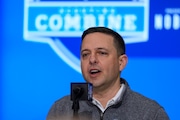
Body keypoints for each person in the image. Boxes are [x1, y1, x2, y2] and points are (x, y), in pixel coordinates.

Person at [46, 27, 169, 120]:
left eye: (102, 53)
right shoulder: (62, 109)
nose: (92, 59)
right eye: (85, 54)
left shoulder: (150, 113)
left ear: (121, 62)